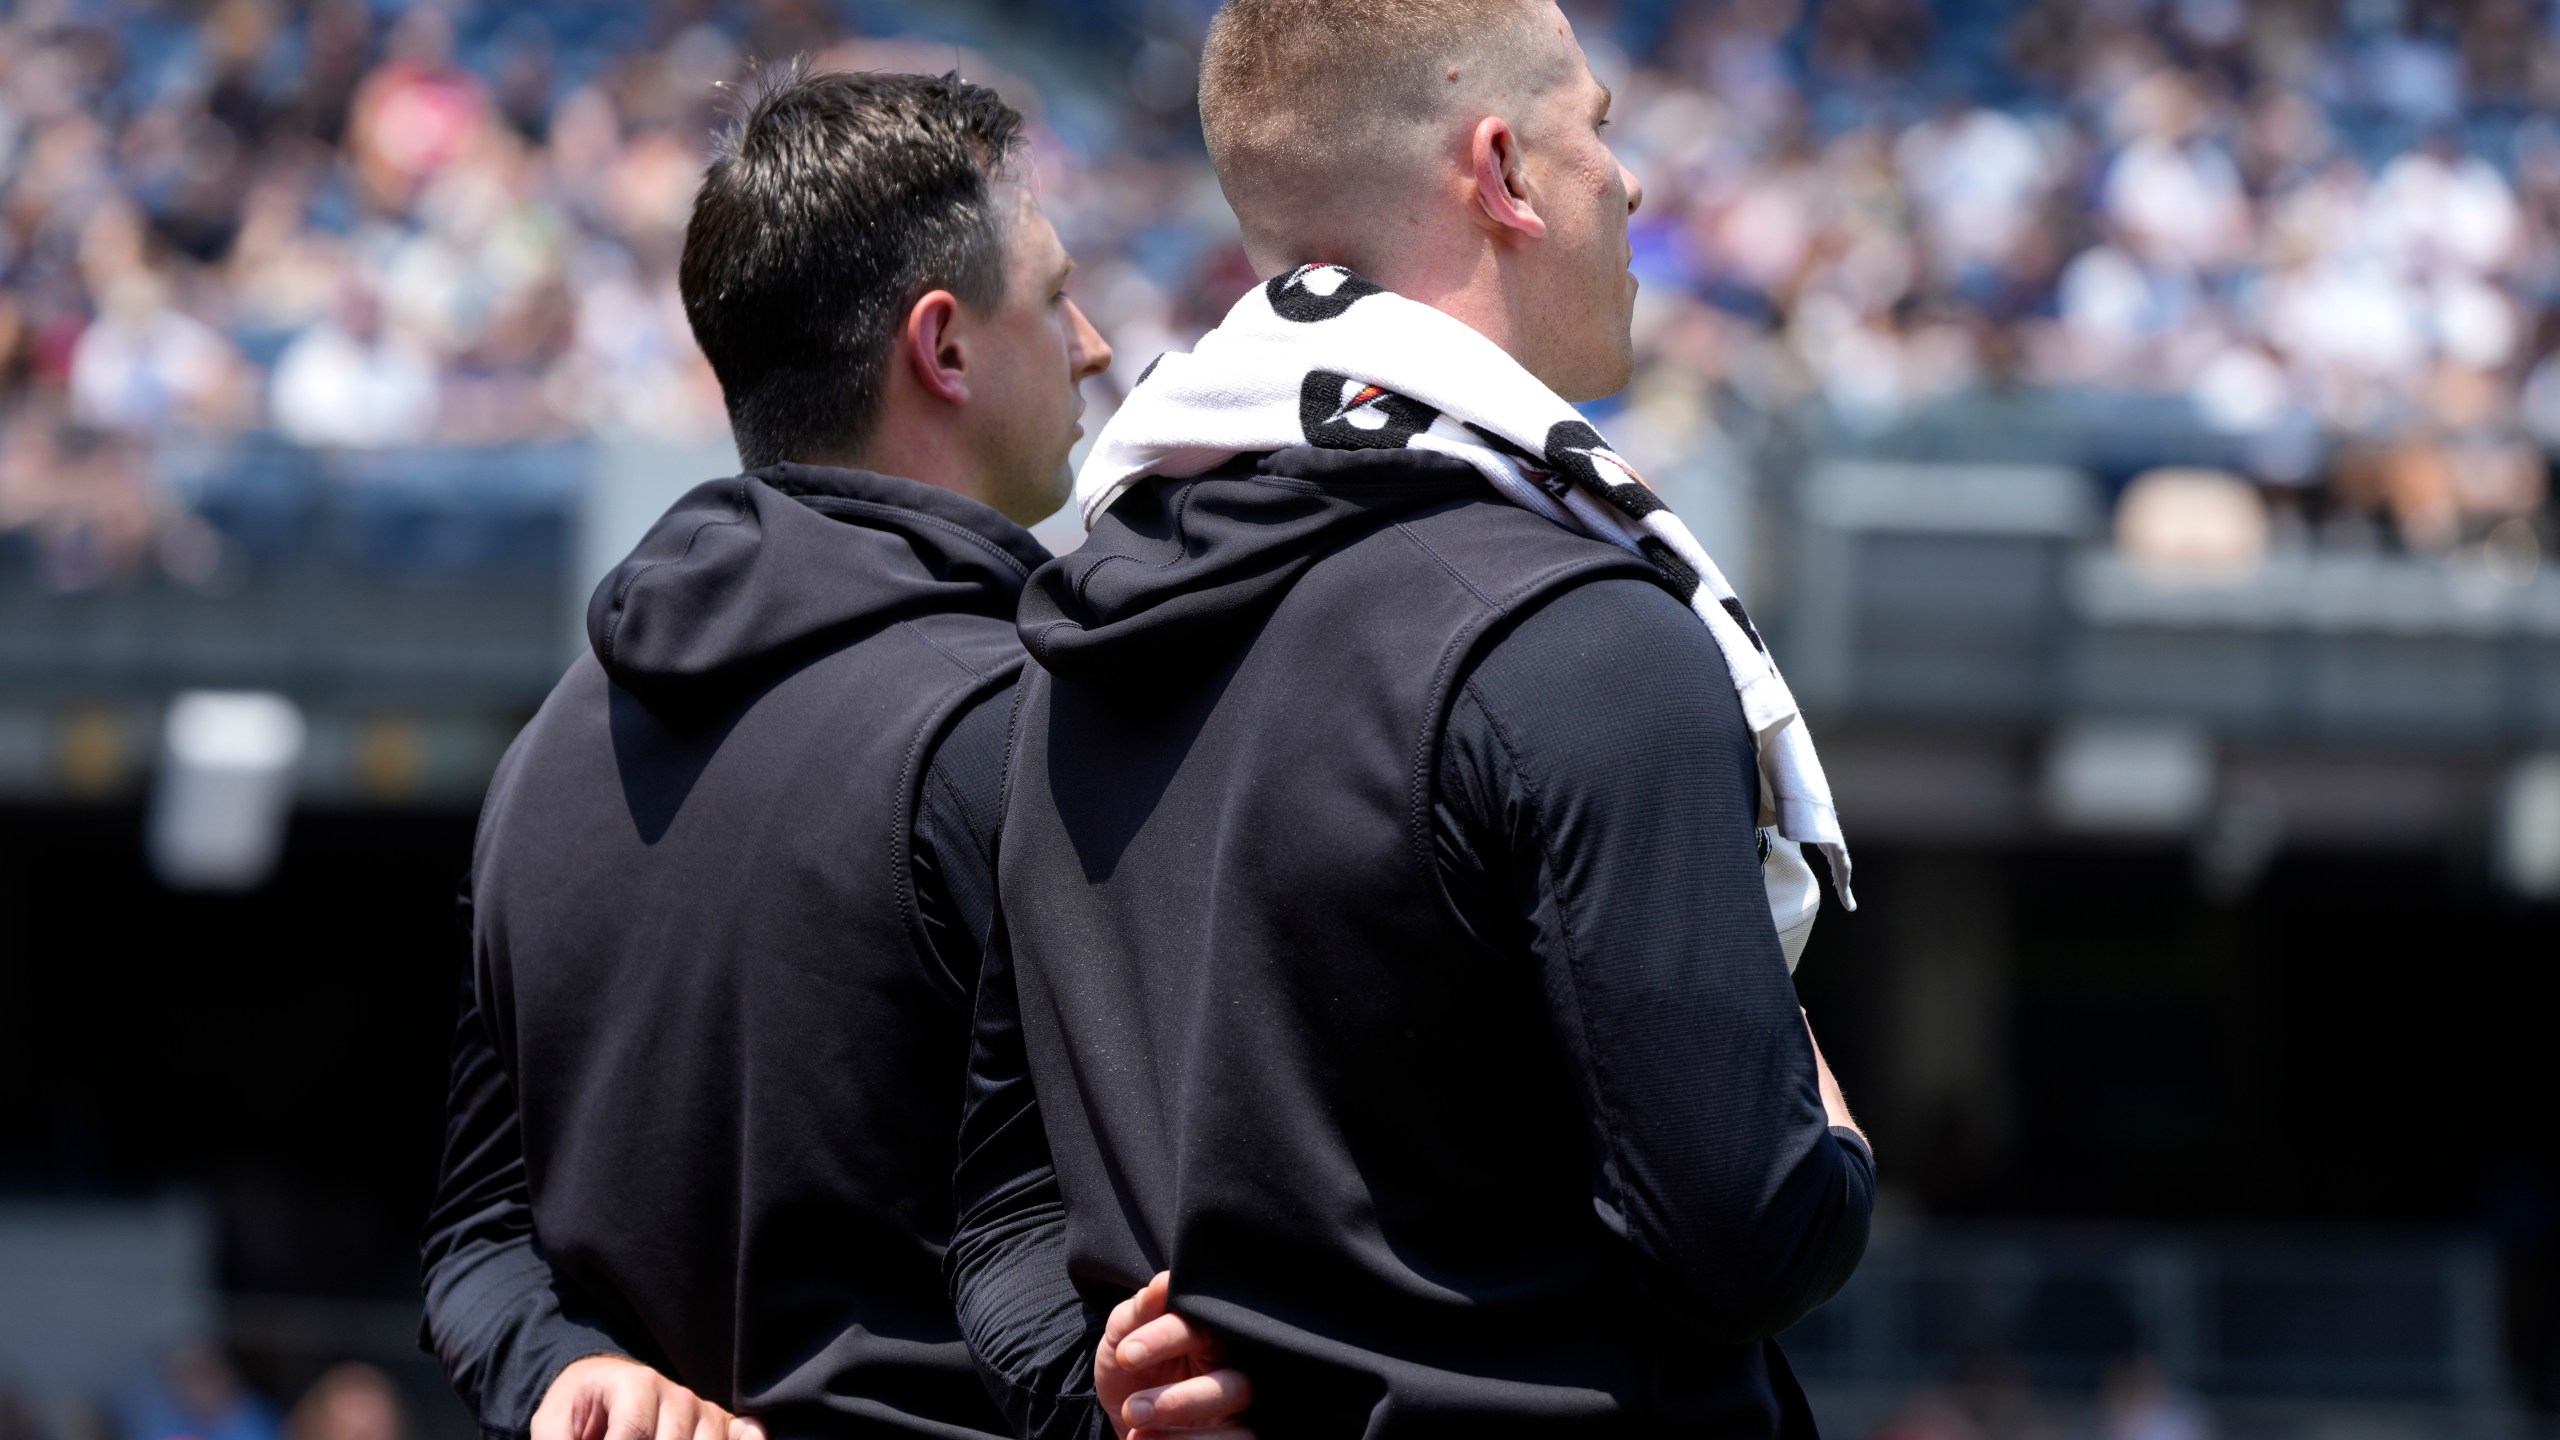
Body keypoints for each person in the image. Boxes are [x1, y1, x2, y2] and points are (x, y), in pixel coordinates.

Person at [955, 2, 1874, 1433]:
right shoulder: (1586, 642)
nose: (1628, 185)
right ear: (1503, 170)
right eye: (1599, 130)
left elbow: (1002, 1219)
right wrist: (1825, 1133)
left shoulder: (1075, 638)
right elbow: (1740, 1232)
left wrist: (1096, 1388)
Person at [420, 67, 1250, 1440]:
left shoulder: (552, 740)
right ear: (945, 346)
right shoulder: (1027, 725)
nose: (1097, 344)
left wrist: (568, 1374)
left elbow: (475, 1243)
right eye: (1052, 297)